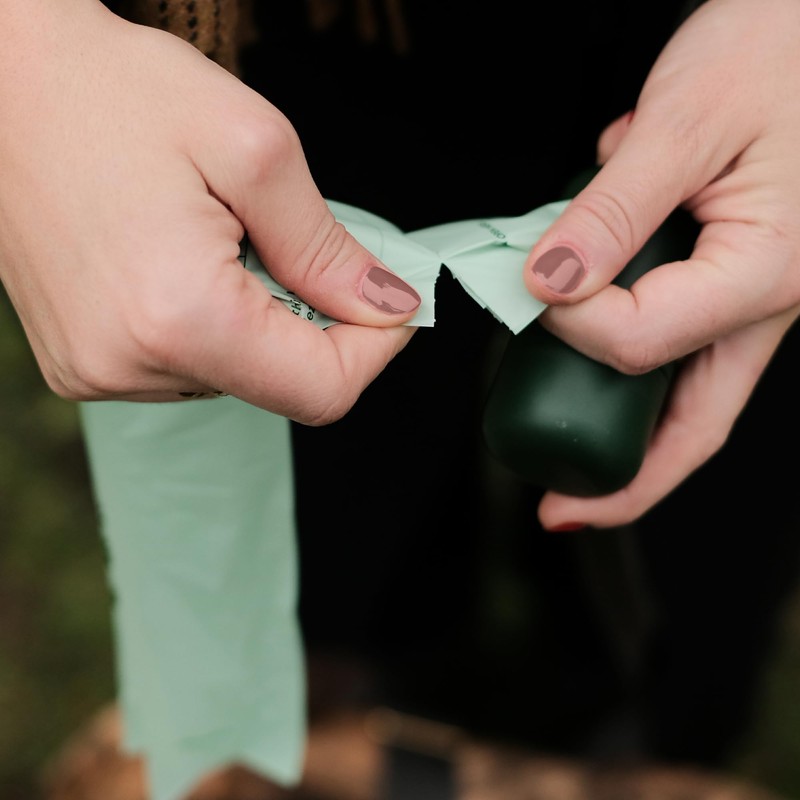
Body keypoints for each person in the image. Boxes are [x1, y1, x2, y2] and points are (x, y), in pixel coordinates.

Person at [4, 0, 800, 785]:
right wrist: (27, 55)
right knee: (340, 426)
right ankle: (371, 678)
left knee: (703, 494)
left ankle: (651, 731)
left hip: (737, 54)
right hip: (329, 33)